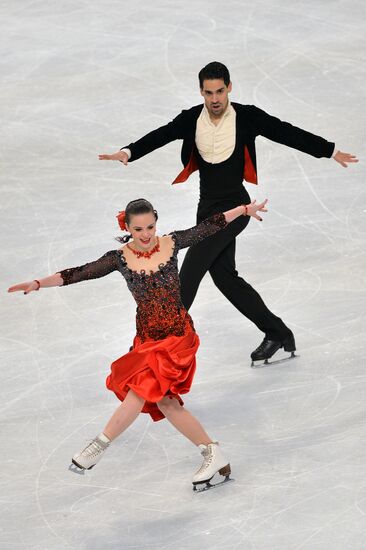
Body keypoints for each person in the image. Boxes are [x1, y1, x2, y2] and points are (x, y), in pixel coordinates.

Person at [99, 61, 358, 366]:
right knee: (225, 277)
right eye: (208, 92)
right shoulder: (191, 119)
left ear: (229, 88)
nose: (215, 98)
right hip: (206, 208)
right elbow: (161, 134)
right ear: (201, 92)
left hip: (237, 206)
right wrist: (128, 152)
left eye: (220, 90)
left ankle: (157, 346)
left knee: (191, 268)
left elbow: (286, 132)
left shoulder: (247, 117)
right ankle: (278, 332)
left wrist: (329, 150)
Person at [8, 197, 267, 490]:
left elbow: (210, 226)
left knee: (140, 391)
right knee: (167, 403)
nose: (146, 234)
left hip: (177, 336)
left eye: (151, 226)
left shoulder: (172, 244)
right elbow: (78, 272)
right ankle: (212, 453)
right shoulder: (119, 258)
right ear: (128, 227)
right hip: (146, 339)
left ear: (156, 222)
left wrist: (244, 210)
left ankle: (99, 445)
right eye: (139, 229)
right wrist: (39, 283)